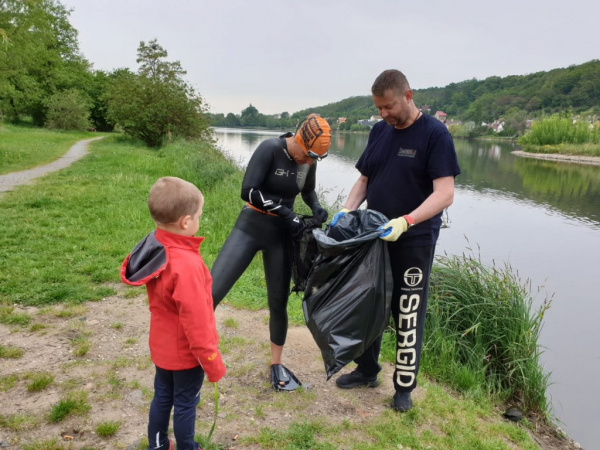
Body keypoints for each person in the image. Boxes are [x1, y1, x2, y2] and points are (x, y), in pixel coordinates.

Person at [331, 70, 460, 412]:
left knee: (407, 311)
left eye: (388, 106)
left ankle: (403, 387)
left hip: (413, 239)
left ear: (407, 95)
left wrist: (407, 221)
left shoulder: (435, 134)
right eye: (378, 108)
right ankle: (367, 370)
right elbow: (365, 178)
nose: (383, 114)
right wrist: (347, 210)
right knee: (369, 303)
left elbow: (445, 194)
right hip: (374, 235)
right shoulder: (379, 131)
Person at [211, 114, 331, 391]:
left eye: (318, 158)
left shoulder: (307, 162)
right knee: (213, 292)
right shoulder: (270, 149)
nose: (311, 161)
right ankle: (195, 352)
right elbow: (248, 190)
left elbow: (308, 191)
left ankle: (276, 364)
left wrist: (316, 207)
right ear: (299, 139)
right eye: (310, 154)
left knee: (278, 302)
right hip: (250, 228)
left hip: (280, 236)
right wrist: (283, 212)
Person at [120, 176, 226, 450]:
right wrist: (211, 360)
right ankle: (186, 447)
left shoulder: (154, 247)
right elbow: (197, 319)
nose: (200, 220)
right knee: (185, 403)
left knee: (162, 397)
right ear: (186, 222)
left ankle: (157, 444)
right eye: (199, 216)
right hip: (186, 354)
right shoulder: (187, 264)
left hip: (162, 347)